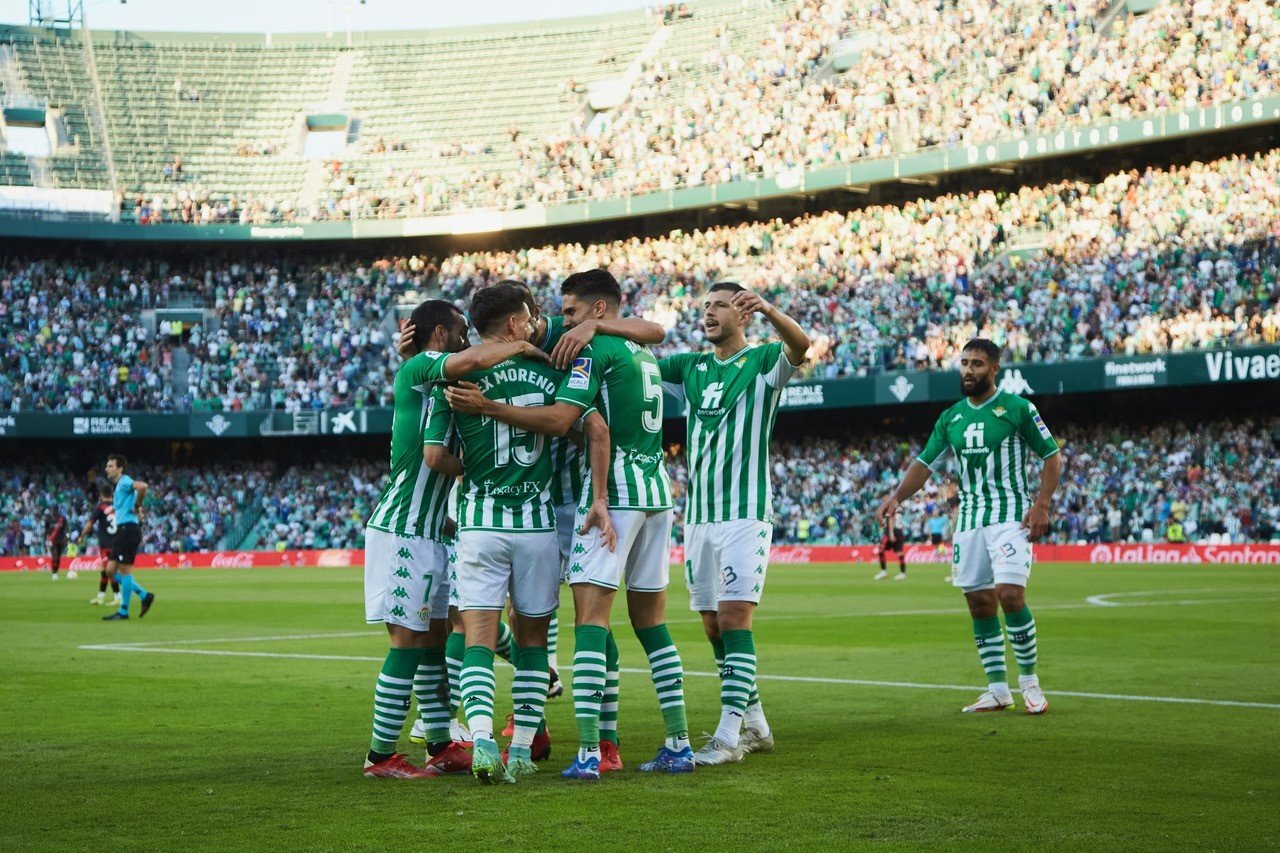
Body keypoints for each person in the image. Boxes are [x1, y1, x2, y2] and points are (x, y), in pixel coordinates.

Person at [446, 269, 692, 781]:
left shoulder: (581, 343)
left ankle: (597, 742)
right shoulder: (576, 342)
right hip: (633, 490)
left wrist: (593, 331)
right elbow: (652, 334)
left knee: (578, 618)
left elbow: (642, 342)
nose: (559, 321)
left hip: (574, 498)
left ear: (596, 311)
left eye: (570, 313)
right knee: (571, 617)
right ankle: (549, 724)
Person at [361, 298, 555, 780]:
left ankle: (441, 744)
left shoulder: (425, 373)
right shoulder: (429, 366)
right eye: (462, 330)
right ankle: (380, 756)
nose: (469, 338)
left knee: (433, 639)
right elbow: (434, 451)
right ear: (442, 337)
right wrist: (520, 345)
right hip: (405, 528)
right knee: (408, 641)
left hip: (430, 530)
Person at [430, 282, 613, 784]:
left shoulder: (456, 376)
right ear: (514, 323)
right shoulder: (554, 368)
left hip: (479, 524)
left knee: (478, 640)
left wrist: (471, 458)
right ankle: (520, 751)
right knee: (533, 644)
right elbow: (573, 425)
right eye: (531, 317)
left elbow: (432, 455)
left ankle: (484, 739)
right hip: (535, 526)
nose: (538, 325)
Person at [656, 281, 809, 765]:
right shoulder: (691, 367)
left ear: (742, 313)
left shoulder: (763, 361)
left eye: (719, 305)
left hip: (745, 513)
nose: (708, 313)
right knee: (711, 625)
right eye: (705, 306)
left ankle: (726, 737)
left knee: (733, 618)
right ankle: (757, 724)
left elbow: (801, 346)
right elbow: (638, 368)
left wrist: (769, 308)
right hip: (699, 516)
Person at [877, 339, 1061, 714]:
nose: (968, 370)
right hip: (969, 520)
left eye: (977, 364)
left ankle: (1029, 682)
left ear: (994, 370)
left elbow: (1052, 456)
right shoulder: (951, 418)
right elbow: (925, 464)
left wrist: (1042, 504)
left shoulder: (1018, 409)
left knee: (1009, 594)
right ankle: (997, 690)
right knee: (978, 603)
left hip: (1011, 516)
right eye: (964, 363)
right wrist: (897, 496)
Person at [101, 454, 154, 621]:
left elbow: (143, 487)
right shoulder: (119, 487)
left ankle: (123, 611)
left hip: (128, 530)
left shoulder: (124, 481)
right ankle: (144, 594)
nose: (106, 469)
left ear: (119, 468)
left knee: (124, 571)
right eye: (107, 466)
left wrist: (137, 506)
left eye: (110, 466)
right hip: (122, 531)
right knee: (109, 571)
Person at [77, 484, 121, 606]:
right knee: (104, 570)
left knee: (109, 571)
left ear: (101, 494)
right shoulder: (117, 506)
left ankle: (118, 597)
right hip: (117, 542)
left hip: (107, 545)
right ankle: (100, 597)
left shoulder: (100, 507)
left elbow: (90, 524)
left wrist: (81, 536)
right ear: (111, 494)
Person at [875, 515, 907, 581]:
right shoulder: (897, 509)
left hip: (890, 532)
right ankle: (902, 573)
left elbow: (891, 519)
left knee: (881, 551)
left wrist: (891, 532)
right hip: (899, 532)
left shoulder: (890, 507)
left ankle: (883, 571)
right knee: (899, 553)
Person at [45, 508, 69, 580]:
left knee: (58, 558)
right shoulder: (48, 519)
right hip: (52, 540)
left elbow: (66, 528)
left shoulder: (62, 519)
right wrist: (47, 539)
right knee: (54, 556)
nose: (53, 512)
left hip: (61, 540)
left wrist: (67, 536)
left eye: (55, 510)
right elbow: (46, 529)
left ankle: (55, 572)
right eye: (52, 511)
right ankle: (53, 573)